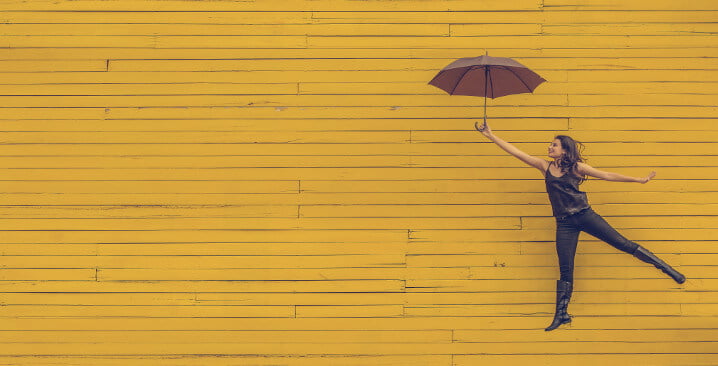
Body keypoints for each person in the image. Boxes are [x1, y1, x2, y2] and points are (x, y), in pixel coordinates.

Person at [474, 121, 686, 332]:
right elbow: (517, 153)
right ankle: (562, 314)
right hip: (564, 224)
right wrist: (491, 135)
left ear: (565, 150)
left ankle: (667, 268)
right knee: (565, 268)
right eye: (550, 145)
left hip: (585, 216)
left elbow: (607, 175)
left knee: (622, 243)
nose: (549, 147)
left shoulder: (577, 168)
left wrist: (638, 180)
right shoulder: (544, 166)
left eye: (554, 145)